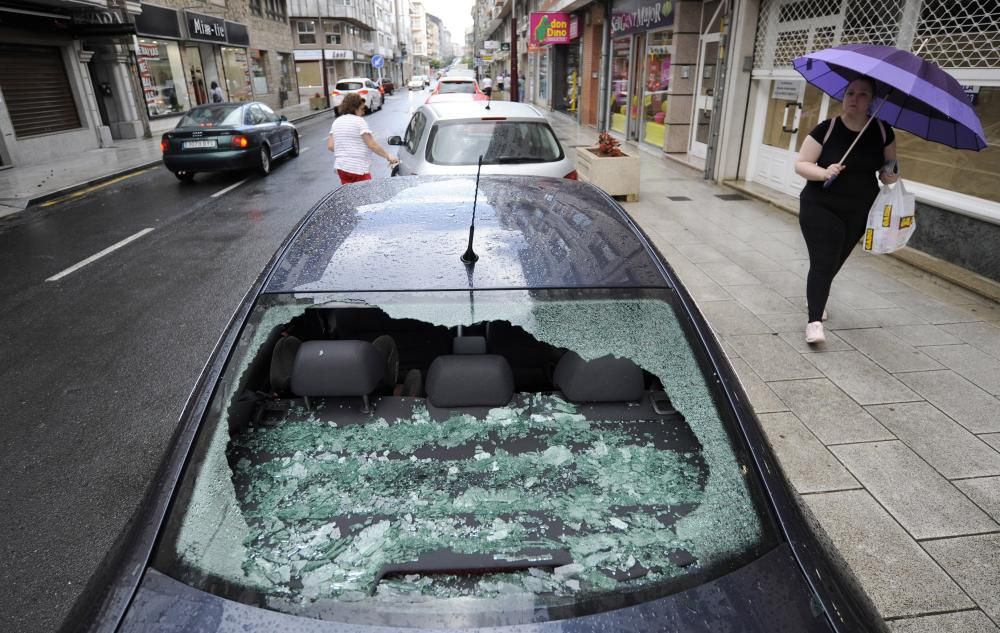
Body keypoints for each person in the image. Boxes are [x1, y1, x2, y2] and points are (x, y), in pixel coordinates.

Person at [794, 77, 898, 344]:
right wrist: (823, 171)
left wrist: (889, 175)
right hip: (820, 205)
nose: (855, 98)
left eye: (863, 94)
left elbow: (890, 166)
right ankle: (814, 321)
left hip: (860, 209)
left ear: (872, 101)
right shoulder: (826, 129)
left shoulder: (883, 131)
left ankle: (818, 296)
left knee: (836, 259)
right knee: (823, 260)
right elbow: (802, 164)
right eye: (850, 93)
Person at [326, 93, 398, 185]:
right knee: (365, 195)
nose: (363, 112)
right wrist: (388, 156)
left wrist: (346, 150)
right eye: (362, 109)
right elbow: (372, 145)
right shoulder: (359, 122)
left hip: (341, 168)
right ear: (354, 108)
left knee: (349, 195)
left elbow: (331, 146)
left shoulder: (336, 122)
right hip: (358, 168)